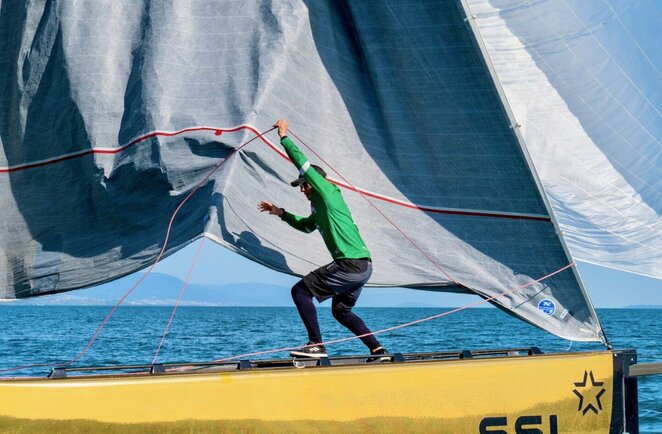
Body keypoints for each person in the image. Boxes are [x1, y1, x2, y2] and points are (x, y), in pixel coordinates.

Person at [258, 119, 388, 361]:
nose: (302, 189)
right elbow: (306, 226)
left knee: (300, 291)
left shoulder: (328, 193)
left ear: (314, 183)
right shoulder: (319, 209)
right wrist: (281, 213)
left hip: (350, 264)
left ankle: (316, 344)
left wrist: (284, 137)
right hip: (363, 267)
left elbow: (302, 163)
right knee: (341, 311)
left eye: (303, 185)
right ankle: (378, 350)